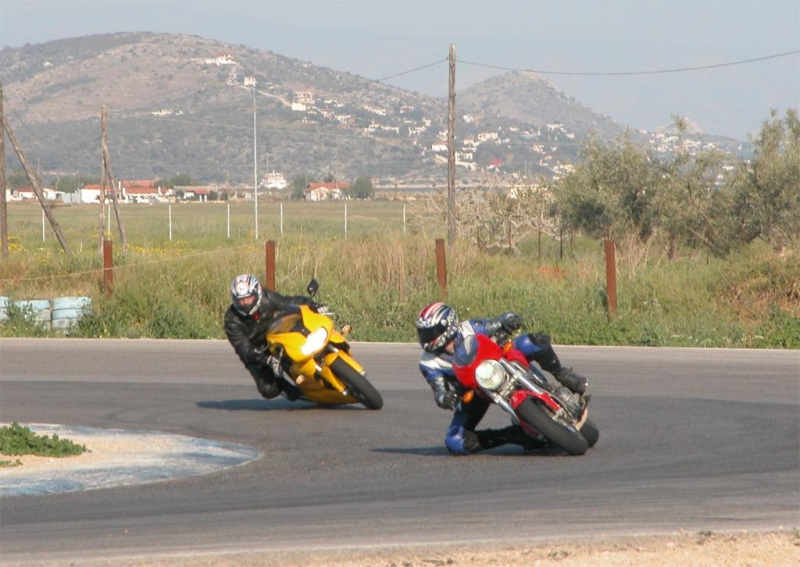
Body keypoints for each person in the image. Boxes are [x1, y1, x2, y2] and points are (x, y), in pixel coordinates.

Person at [414, 301, 589, 455]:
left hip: (500, 363)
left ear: (448, 325)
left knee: (530, 341)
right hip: (474, 391)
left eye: (431, 332)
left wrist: (508, 320)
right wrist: (446, 398)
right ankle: (511, 435)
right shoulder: (429, 363)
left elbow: (493, 324)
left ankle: (562, 373)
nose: (427, 338)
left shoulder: (470, 327)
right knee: (454, 441)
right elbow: (438, 389)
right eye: (423, 333)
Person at [224, 273, 318, 401]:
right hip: (255, 350)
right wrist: (265, 359)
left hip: (275, 337)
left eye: (249, 298)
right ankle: (289, 390)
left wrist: (311, 304)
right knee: (269, 390)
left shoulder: (266, 298)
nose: (245, 303)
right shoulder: (231, 319)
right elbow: (243, 348)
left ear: (257, 293)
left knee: (300, 334)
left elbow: (287, 302)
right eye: (241, 300)